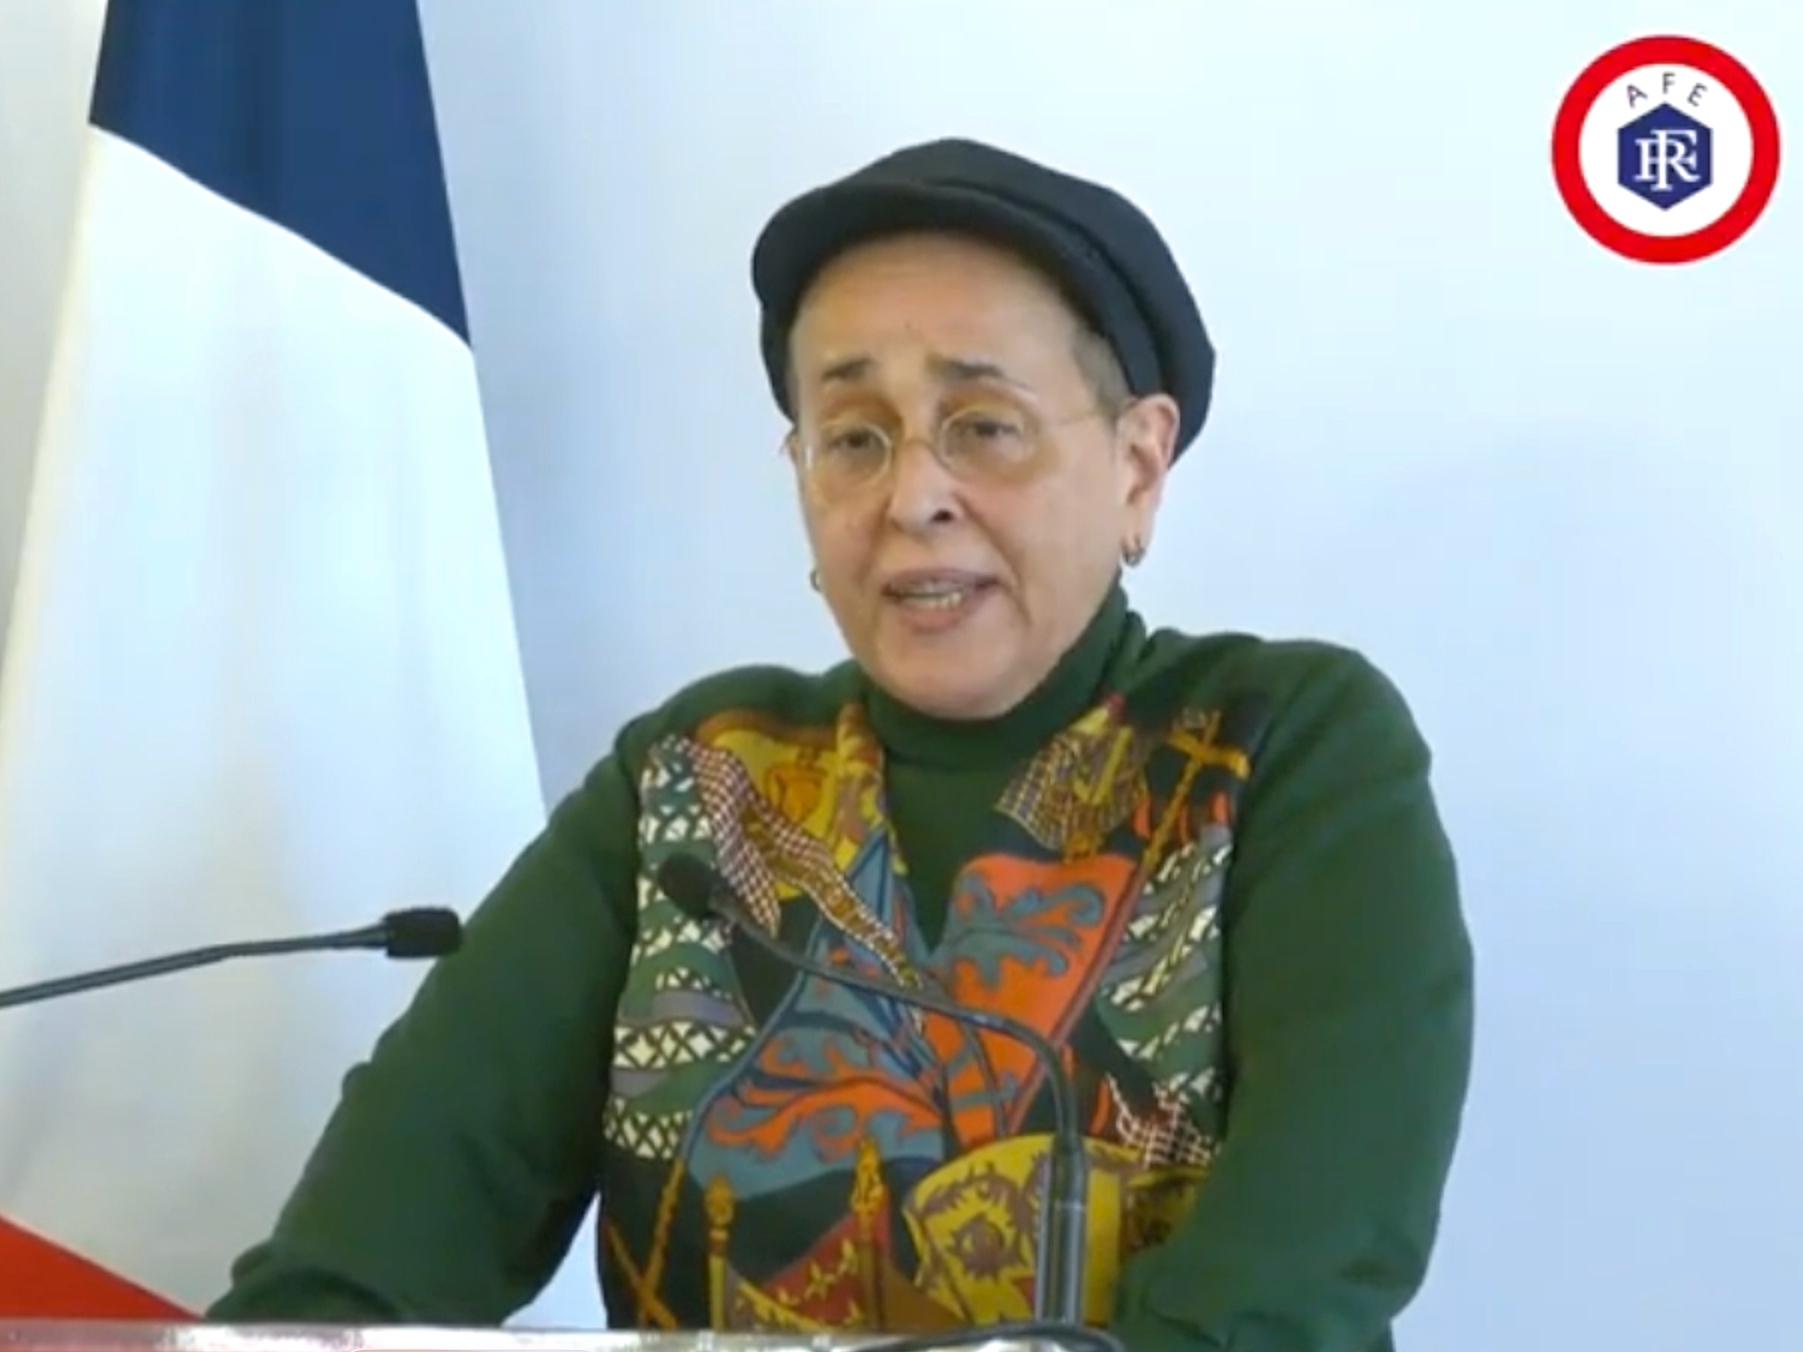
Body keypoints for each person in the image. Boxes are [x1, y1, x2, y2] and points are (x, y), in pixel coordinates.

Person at [206, 138, 1474, 1352]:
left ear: (1138, 466)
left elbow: (1296, 1272)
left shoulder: (1279, 747)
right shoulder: (698, 782)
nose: (911, 496)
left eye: (984, 425)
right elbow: (363, 1257)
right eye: (855, 437)